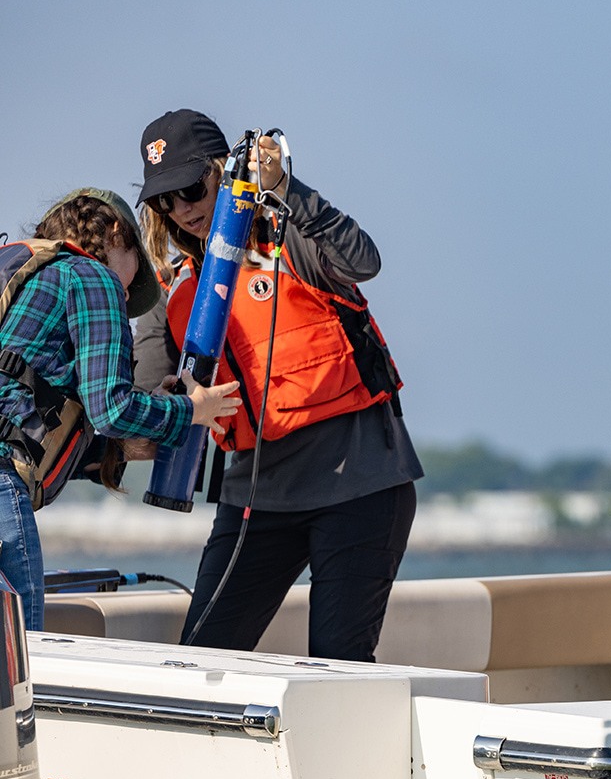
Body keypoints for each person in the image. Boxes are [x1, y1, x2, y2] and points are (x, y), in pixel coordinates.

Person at [135, 109, 419, 661]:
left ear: (222, 171)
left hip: (359, 485)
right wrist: (175, 401)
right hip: (255, 498)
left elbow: (365, 261)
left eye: (192, 188)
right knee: (199, 661)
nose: (183, 209)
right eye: (165, 200)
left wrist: (284, 187)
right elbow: (148, 393)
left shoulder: (290, 239)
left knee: (338, 668)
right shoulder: (172, 289)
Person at [0, 191, 239, 629]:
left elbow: (28, 420)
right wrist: (191, 410)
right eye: (131, 284)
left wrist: (137, 434)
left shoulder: (27, 280)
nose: (125, 297)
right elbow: (111, 409)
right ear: (116, 234)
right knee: (16, 675)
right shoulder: (93, 277)